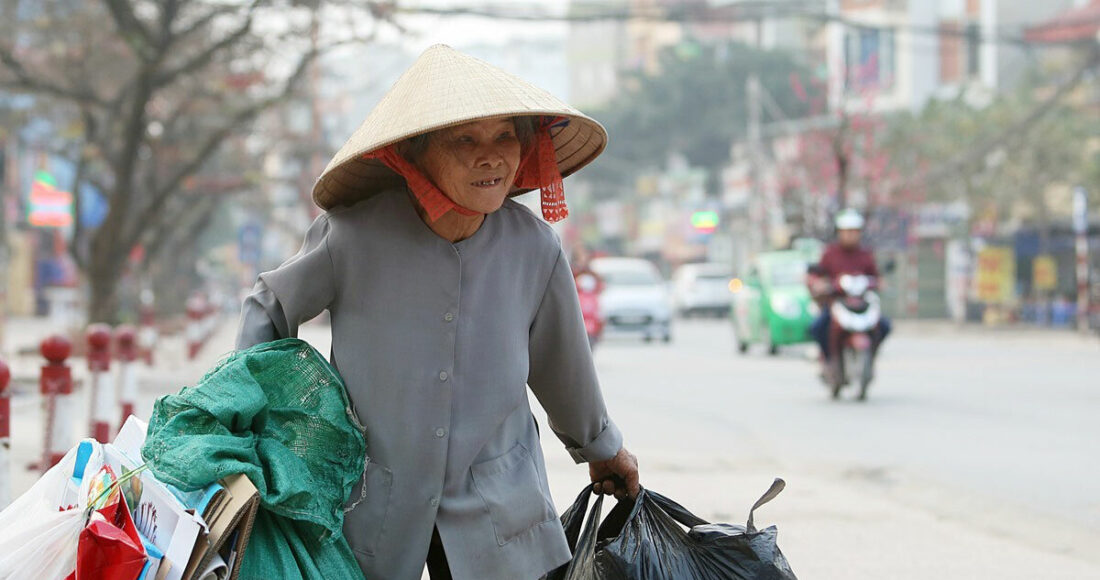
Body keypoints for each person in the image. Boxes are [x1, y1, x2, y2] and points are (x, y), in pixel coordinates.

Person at [235, 45, 640, 580]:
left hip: (499, 503)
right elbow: (269, 308)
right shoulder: (353, 236)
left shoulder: (534, 247)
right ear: (415, 155)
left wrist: (601, 448)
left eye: (505, 137)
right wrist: (251, 426)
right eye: (465, 139)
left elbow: (561, 364)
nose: (491, 156)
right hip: (374, 499)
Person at [808, 209, 892, 363]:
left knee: (885, 326)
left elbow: (875, 275)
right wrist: (819, 283)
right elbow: (819, 273)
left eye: (854, 231)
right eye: (846, 231)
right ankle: (828, 360)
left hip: (861, 302)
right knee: (817, 328)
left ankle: (871, 355)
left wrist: (879, 282)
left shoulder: (865, 254)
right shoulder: (830, 254)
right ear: (839, 232)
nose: (850, 235)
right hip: (837, 302)